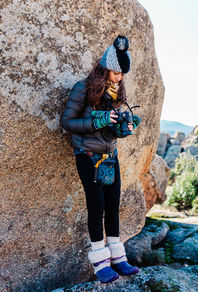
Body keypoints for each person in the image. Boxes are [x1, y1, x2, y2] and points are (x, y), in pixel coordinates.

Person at [61, 35, 141, 283]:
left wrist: (123, 128)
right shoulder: (82, 88)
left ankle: (118, 259)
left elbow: (110, 131)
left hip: (110, 156)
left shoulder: (117, 93)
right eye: (116, 72)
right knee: (96, 208)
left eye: (122, 74)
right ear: (104, 67)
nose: (119, 77)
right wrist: (100, 120)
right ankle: (100, 262)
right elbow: (67, 123)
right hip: (86, 155)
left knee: (113, 207)